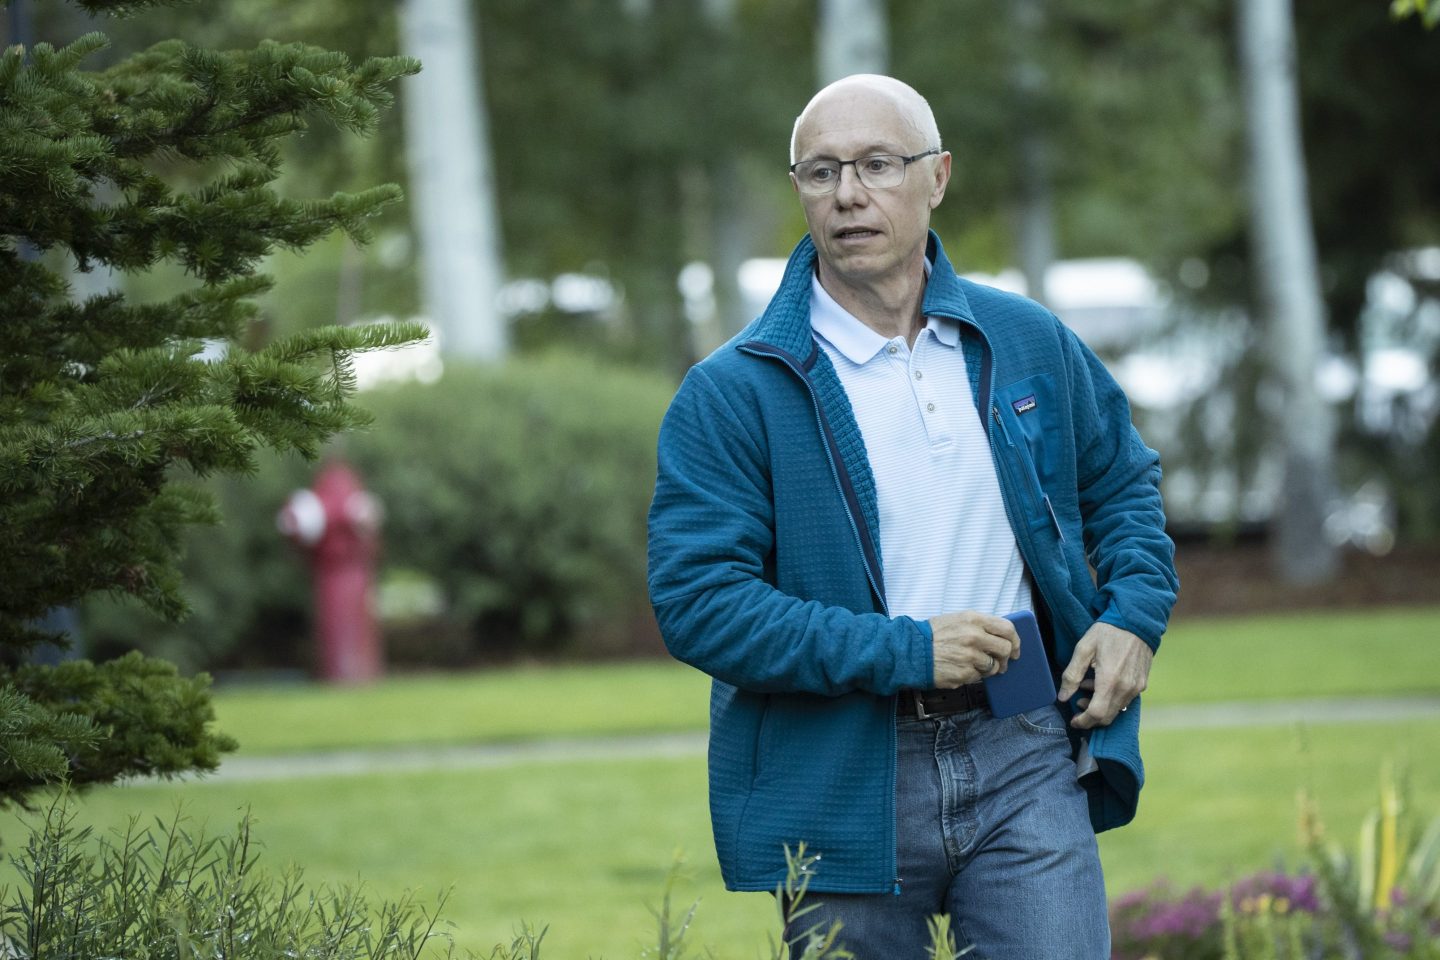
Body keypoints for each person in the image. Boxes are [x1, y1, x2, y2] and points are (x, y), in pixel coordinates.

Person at [647, 74, 1178, 959]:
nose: (848, 193)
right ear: (799, 192)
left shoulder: (1027, 340)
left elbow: (1122, 486)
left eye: (877, 165)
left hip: (1023, 740)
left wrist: (1132, 617)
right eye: (821, 172)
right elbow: (699, 603)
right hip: (842, 770)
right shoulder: (731, 392)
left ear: (937, 178)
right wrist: (907, 649)